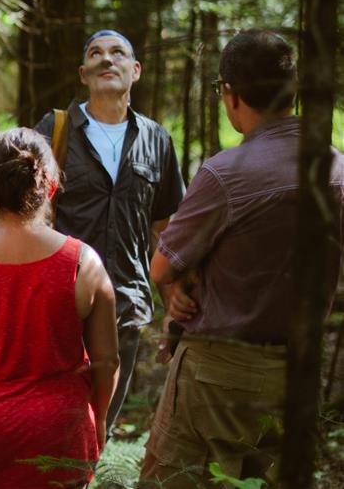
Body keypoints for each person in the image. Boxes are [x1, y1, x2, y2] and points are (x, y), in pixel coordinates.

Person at [140, 29, 344, 487]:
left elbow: (162, 266)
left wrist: (178, 285)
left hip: (218, 373)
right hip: (297, 372)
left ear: (231, 96)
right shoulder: (336, 169)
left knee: (177, 478)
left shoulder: (225, 173)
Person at [34, 30, 184, 433]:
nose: (107, 59)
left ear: (134, 71)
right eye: (96, 54)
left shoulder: (156, 139)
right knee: (55, 422)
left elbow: (165, 229)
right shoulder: (55, 130)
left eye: (118, 53)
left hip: (127, 307)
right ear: (84, 74)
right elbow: (29, 216)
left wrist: (174, 306)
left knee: (100, 426)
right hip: (63, 306)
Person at [0, 127, 119, 488]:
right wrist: (98, 420)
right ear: (51, 187)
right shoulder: (84, 263)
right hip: (60, 437)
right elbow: (108, 361)